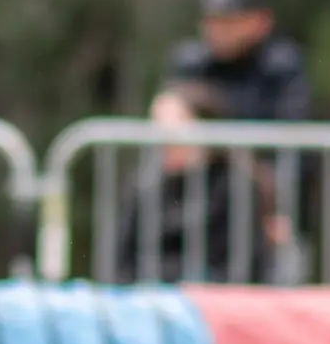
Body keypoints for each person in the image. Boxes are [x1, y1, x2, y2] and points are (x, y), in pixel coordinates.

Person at [166, 0, 312, 275]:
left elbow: (293, 148)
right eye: (212, 20)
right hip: (200, 212)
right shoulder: (191, 64)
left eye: (228, 21)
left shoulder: (281, 69)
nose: (217, 30)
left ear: (260, 22)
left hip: (261, 209)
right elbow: (169, 138)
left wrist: (280, 210)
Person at [113, 82, 274, 284]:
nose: (162, 135)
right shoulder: (144, 186)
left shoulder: (236, 186)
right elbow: (122, 262)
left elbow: (245, 265)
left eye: (175, 122)